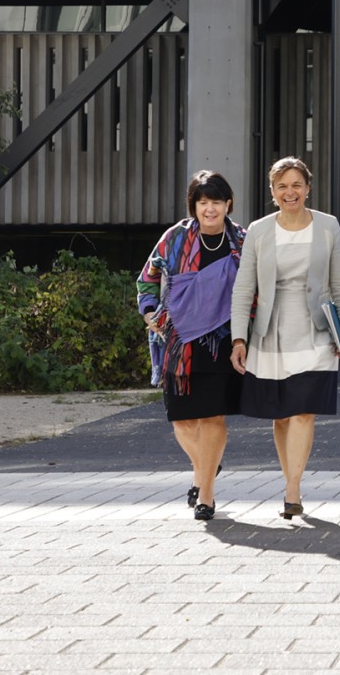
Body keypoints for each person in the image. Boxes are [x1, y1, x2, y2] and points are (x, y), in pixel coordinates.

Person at [230, 157, 340, 520]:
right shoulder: (258, 231)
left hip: (317, 331)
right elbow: (243, 289)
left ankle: (293, 490)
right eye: (282, 186)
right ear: (273, 192)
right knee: (282, 416)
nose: (291, 192)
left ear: (308, 188)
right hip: (270, 333)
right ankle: (291, 481)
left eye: (297, 185)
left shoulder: (329, 226)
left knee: (304, 413)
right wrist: (239, 339)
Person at [138, 171, 246, 522]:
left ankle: (206, 495)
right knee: (182, 420)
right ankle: (206, 468)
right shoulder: (175, 238)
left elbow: (256, 286)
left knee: (213, 416)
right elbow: (148, 278)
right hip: (178, 341)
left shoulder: (241, 241)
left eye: (216, 201)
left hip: (221, 341)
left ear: (228, 204)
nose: (210, 208)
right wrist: (150, 310)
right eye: (203, 202)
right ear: (194, 206)